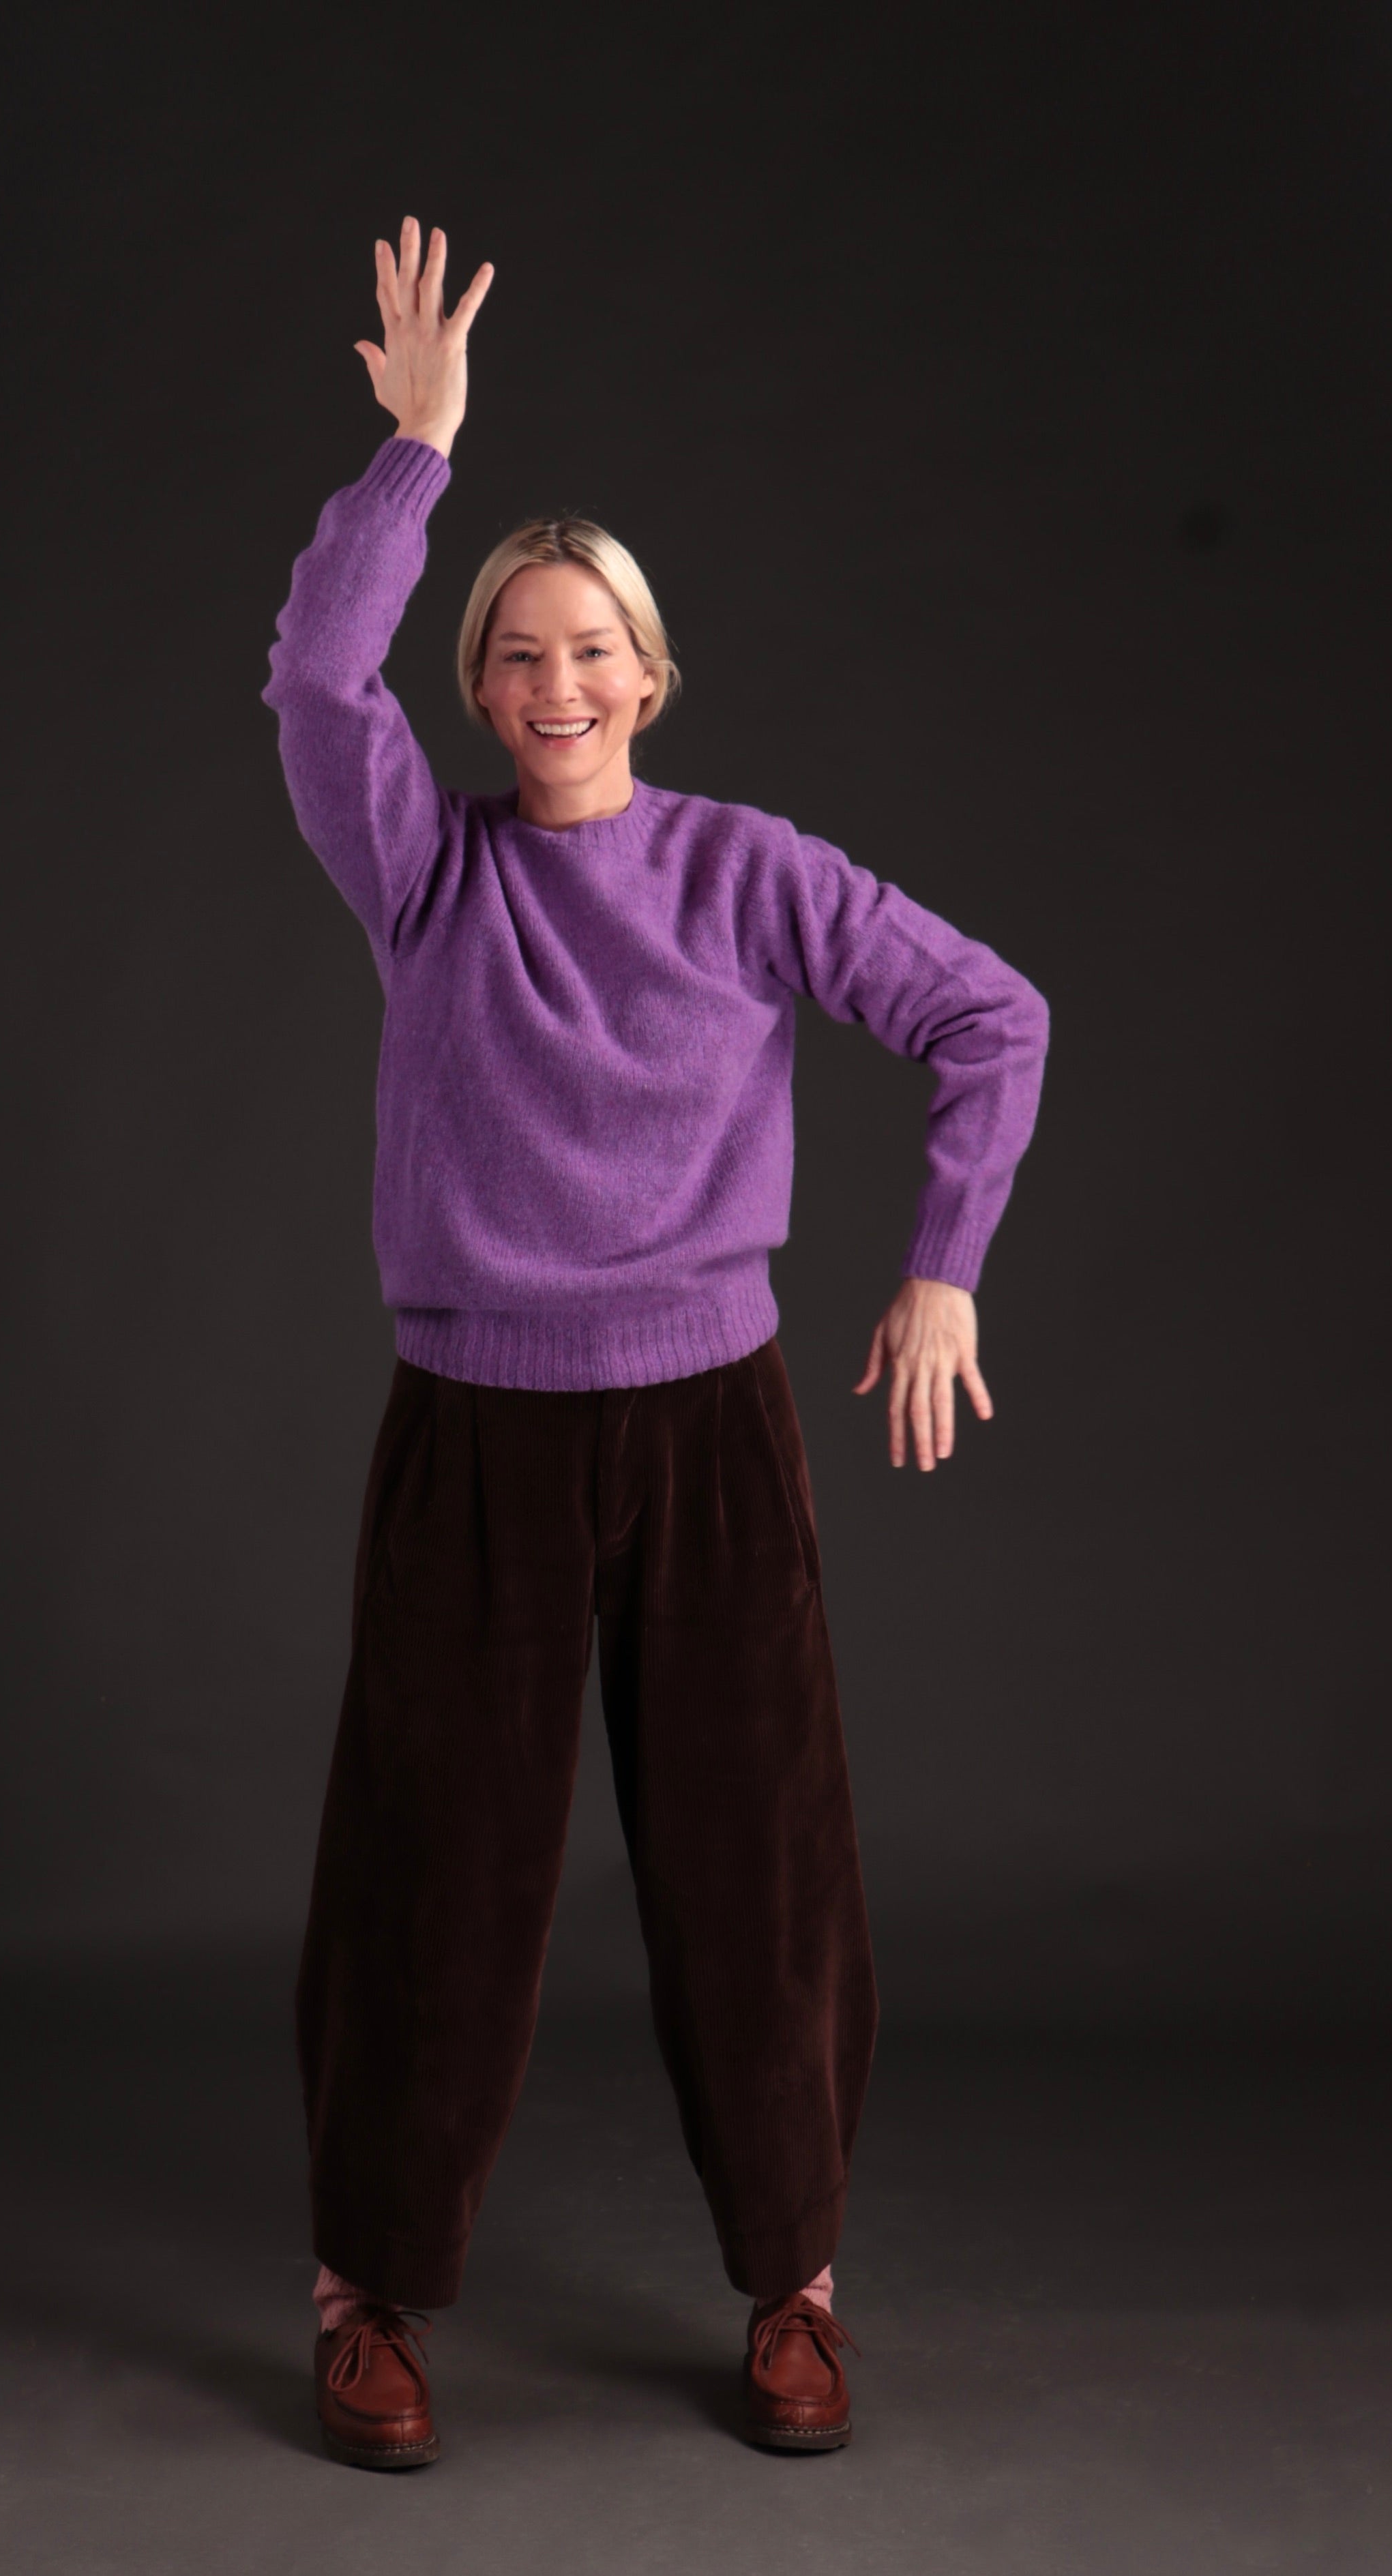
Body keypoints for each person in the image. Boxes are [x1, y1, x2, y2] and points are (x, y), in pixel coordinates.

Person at [261, 216, 1050, 2471]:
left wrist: (943, 1259)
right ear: (482, 690)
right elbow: (320, 685)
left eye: (592, 646)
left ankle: (794, 2285)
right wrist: (414, 458)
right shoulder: (427, 872)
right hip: (477, 1433)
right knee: (432, 1865)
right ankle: (366, 2294)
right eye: (515, 654)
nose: (556, 682)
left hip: (710, 1426)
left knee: (754, 1860)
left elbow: (991, 1017)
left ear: (652, 672)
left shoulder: (739, 871)